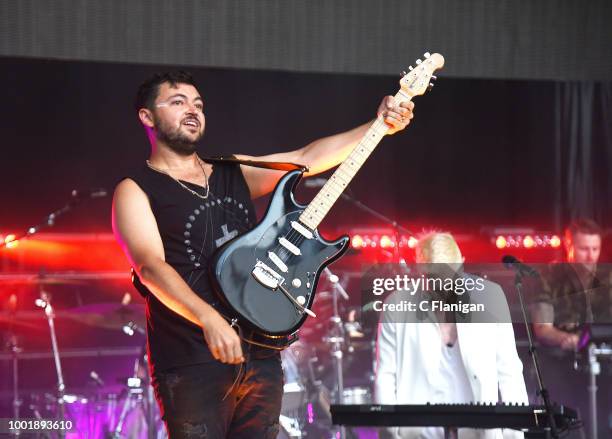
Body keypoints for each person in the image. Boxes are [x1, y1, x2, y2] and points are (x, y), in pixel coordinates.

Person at [111, 71, 414, 438]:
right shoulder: (135, 190)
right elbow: (150, 267)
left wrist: (377, 125)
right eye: (178, 102)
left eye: (198, 104)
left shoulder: (231, 170)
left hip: (259, 353)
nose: (192, 111)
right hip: (191, 359)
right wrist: (209, 319)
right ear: (147, 117)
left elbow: (306, 158)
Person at [375, 232, 528, 439]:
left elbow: (509, 372)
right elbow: (385, 376)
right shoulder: (396, 305)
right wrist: (392, 434)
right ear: (420, 271)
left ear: (462, 265)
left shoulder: (490, 297)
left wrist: (513, 436)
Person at [532, 218, 611, 349]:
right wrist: (567, 339)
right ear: (568, 245)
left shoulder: (608, 276)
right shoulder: (548, 276)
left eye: (595, 249)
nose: (591, 256)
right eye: (584, 249)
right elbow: (542, 328)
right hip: (562, 359)